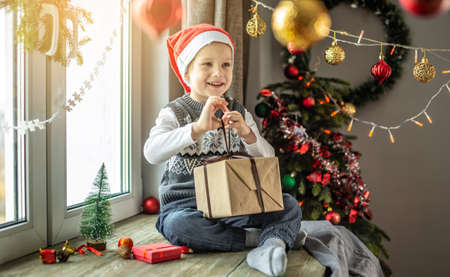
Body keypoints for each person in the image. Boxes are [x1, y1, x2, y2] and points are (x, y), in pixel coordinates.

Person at [143, 24, 302, 276]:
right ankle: (259, 241)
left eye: (226, 65)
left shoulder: (238, 110)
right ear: (187, 71)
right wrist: (196, 128)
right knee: (176, 226)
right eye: (207, 64)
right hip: (187, 206)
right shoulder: (175, 112)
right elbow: (152, 153)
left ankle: (271, 245)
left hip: (236, 203)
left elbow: (268, 158)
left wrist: (248, 134)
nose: (218, 73)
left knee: (289, 204)